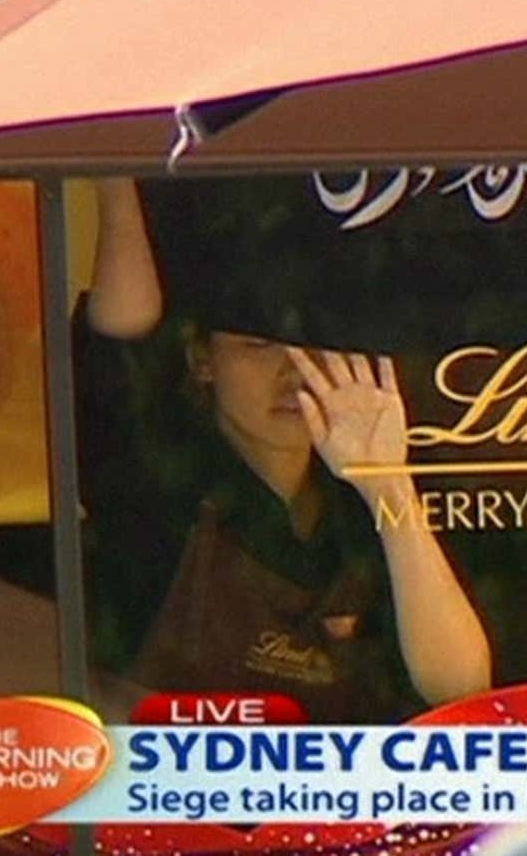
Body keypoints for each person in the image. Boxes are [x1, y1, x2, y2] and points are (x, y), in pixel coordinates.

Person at [78, 177, 491, 722]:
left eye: (317, 350)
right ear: (203, 360)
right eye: (259, 347)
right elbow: (123, 329)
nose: (294, 373)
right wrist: (114, 168)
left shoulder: (356, 512)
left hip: (351, 801)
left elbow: (459, 686)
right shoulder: (158, 474)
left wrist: (386, 482)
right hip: (181, 797)